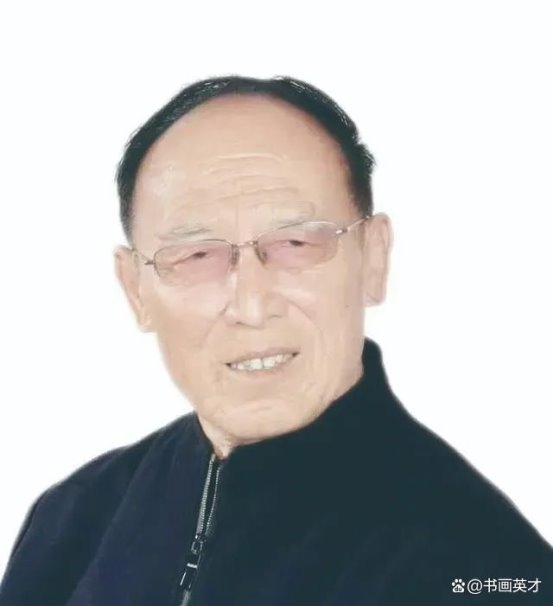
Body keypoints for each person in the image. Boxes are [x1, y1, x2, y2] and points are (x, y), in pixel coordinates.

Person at [0, 75, 551, 606]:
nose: (251, 305)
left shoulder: (484, 566)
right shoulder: (75, 518)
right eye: (196, 255)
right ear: (135, 289)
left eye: (295, 244)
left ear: (374, 258)